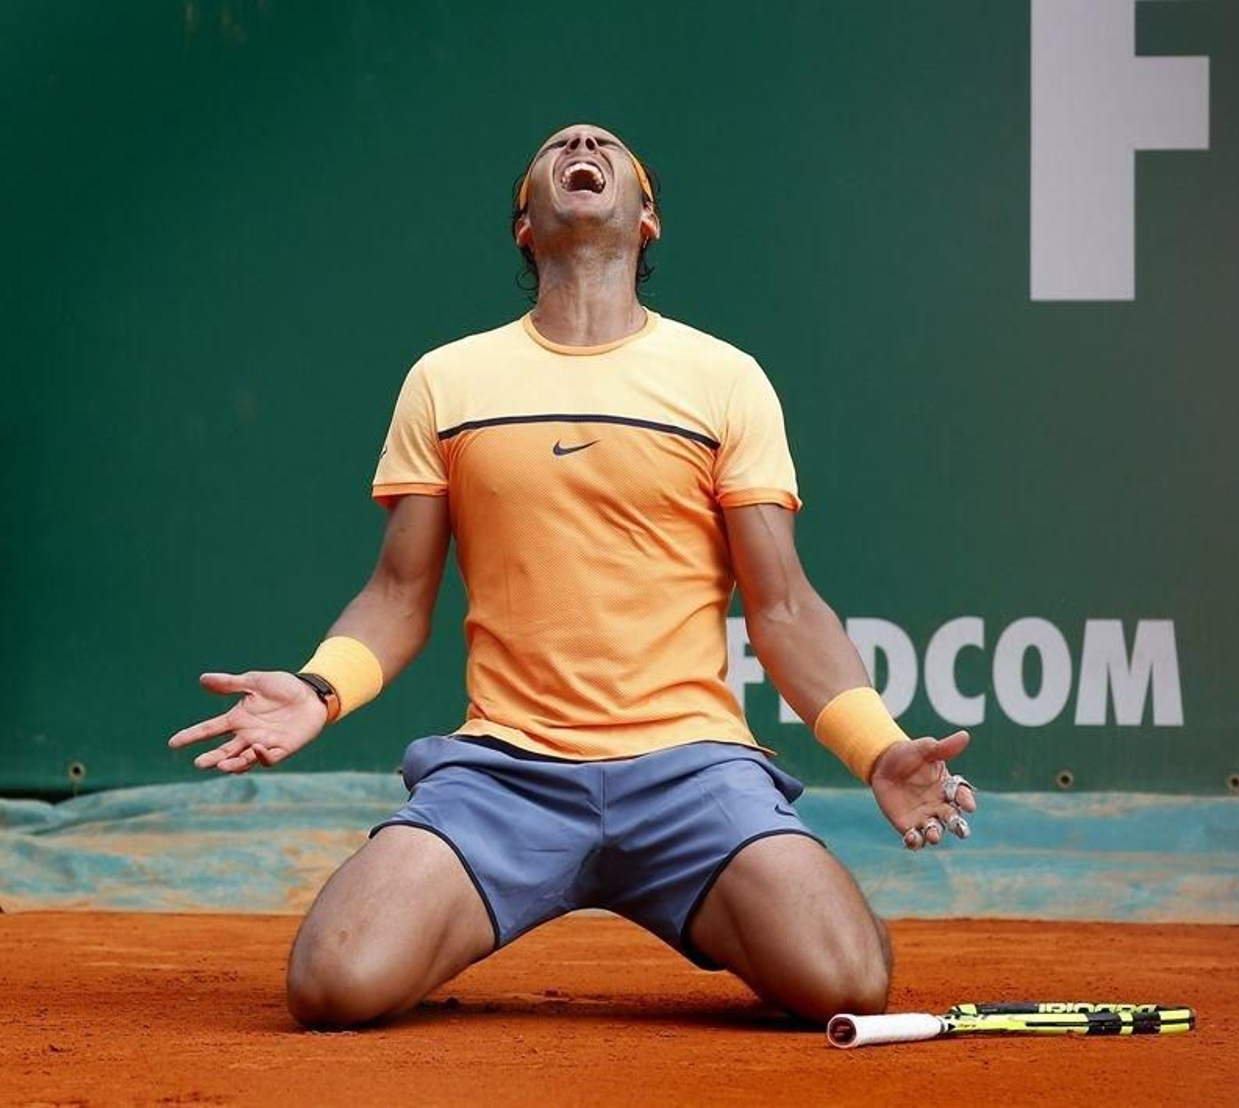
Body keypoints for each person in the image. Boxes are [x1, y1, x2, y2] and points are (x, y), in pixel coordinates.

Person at [168, 122, 978, 1028]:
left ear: (648, 219)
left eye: (603, 144)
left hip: (692, 768)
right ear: (525, 224)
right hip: (507, 771)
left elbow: (783, 608)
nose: (581, 140)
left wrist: (877, 747)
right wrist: (319, 690)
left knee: (846, 980)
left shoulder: (725, 379)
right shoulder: (447, 381)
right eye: (555, 146)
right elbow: (398, 595)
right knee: (334, 984)